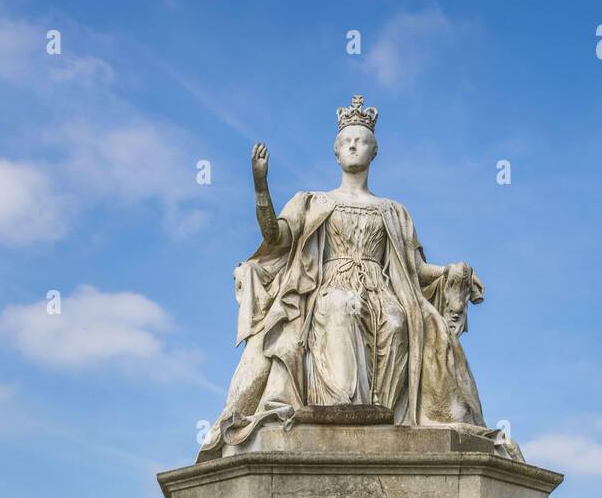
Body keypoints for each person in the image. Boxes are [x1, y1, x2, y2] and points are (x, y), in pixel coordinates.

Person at [201, 95, 519, 458]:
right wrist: (261, 187)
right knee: (341, 307)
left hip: (382, 290)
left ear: (374, 151)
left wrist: (451, 272)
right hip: (329, 286)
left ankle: (382, 416)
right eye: (347, 141)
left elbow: (415, 271)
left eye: (362, 140)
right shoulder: (313, 201)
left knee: (399, 322)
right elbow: (275, 238)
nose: (354, 144)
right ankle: (342, 407)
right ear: (336, 152)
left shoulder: (393, 211)